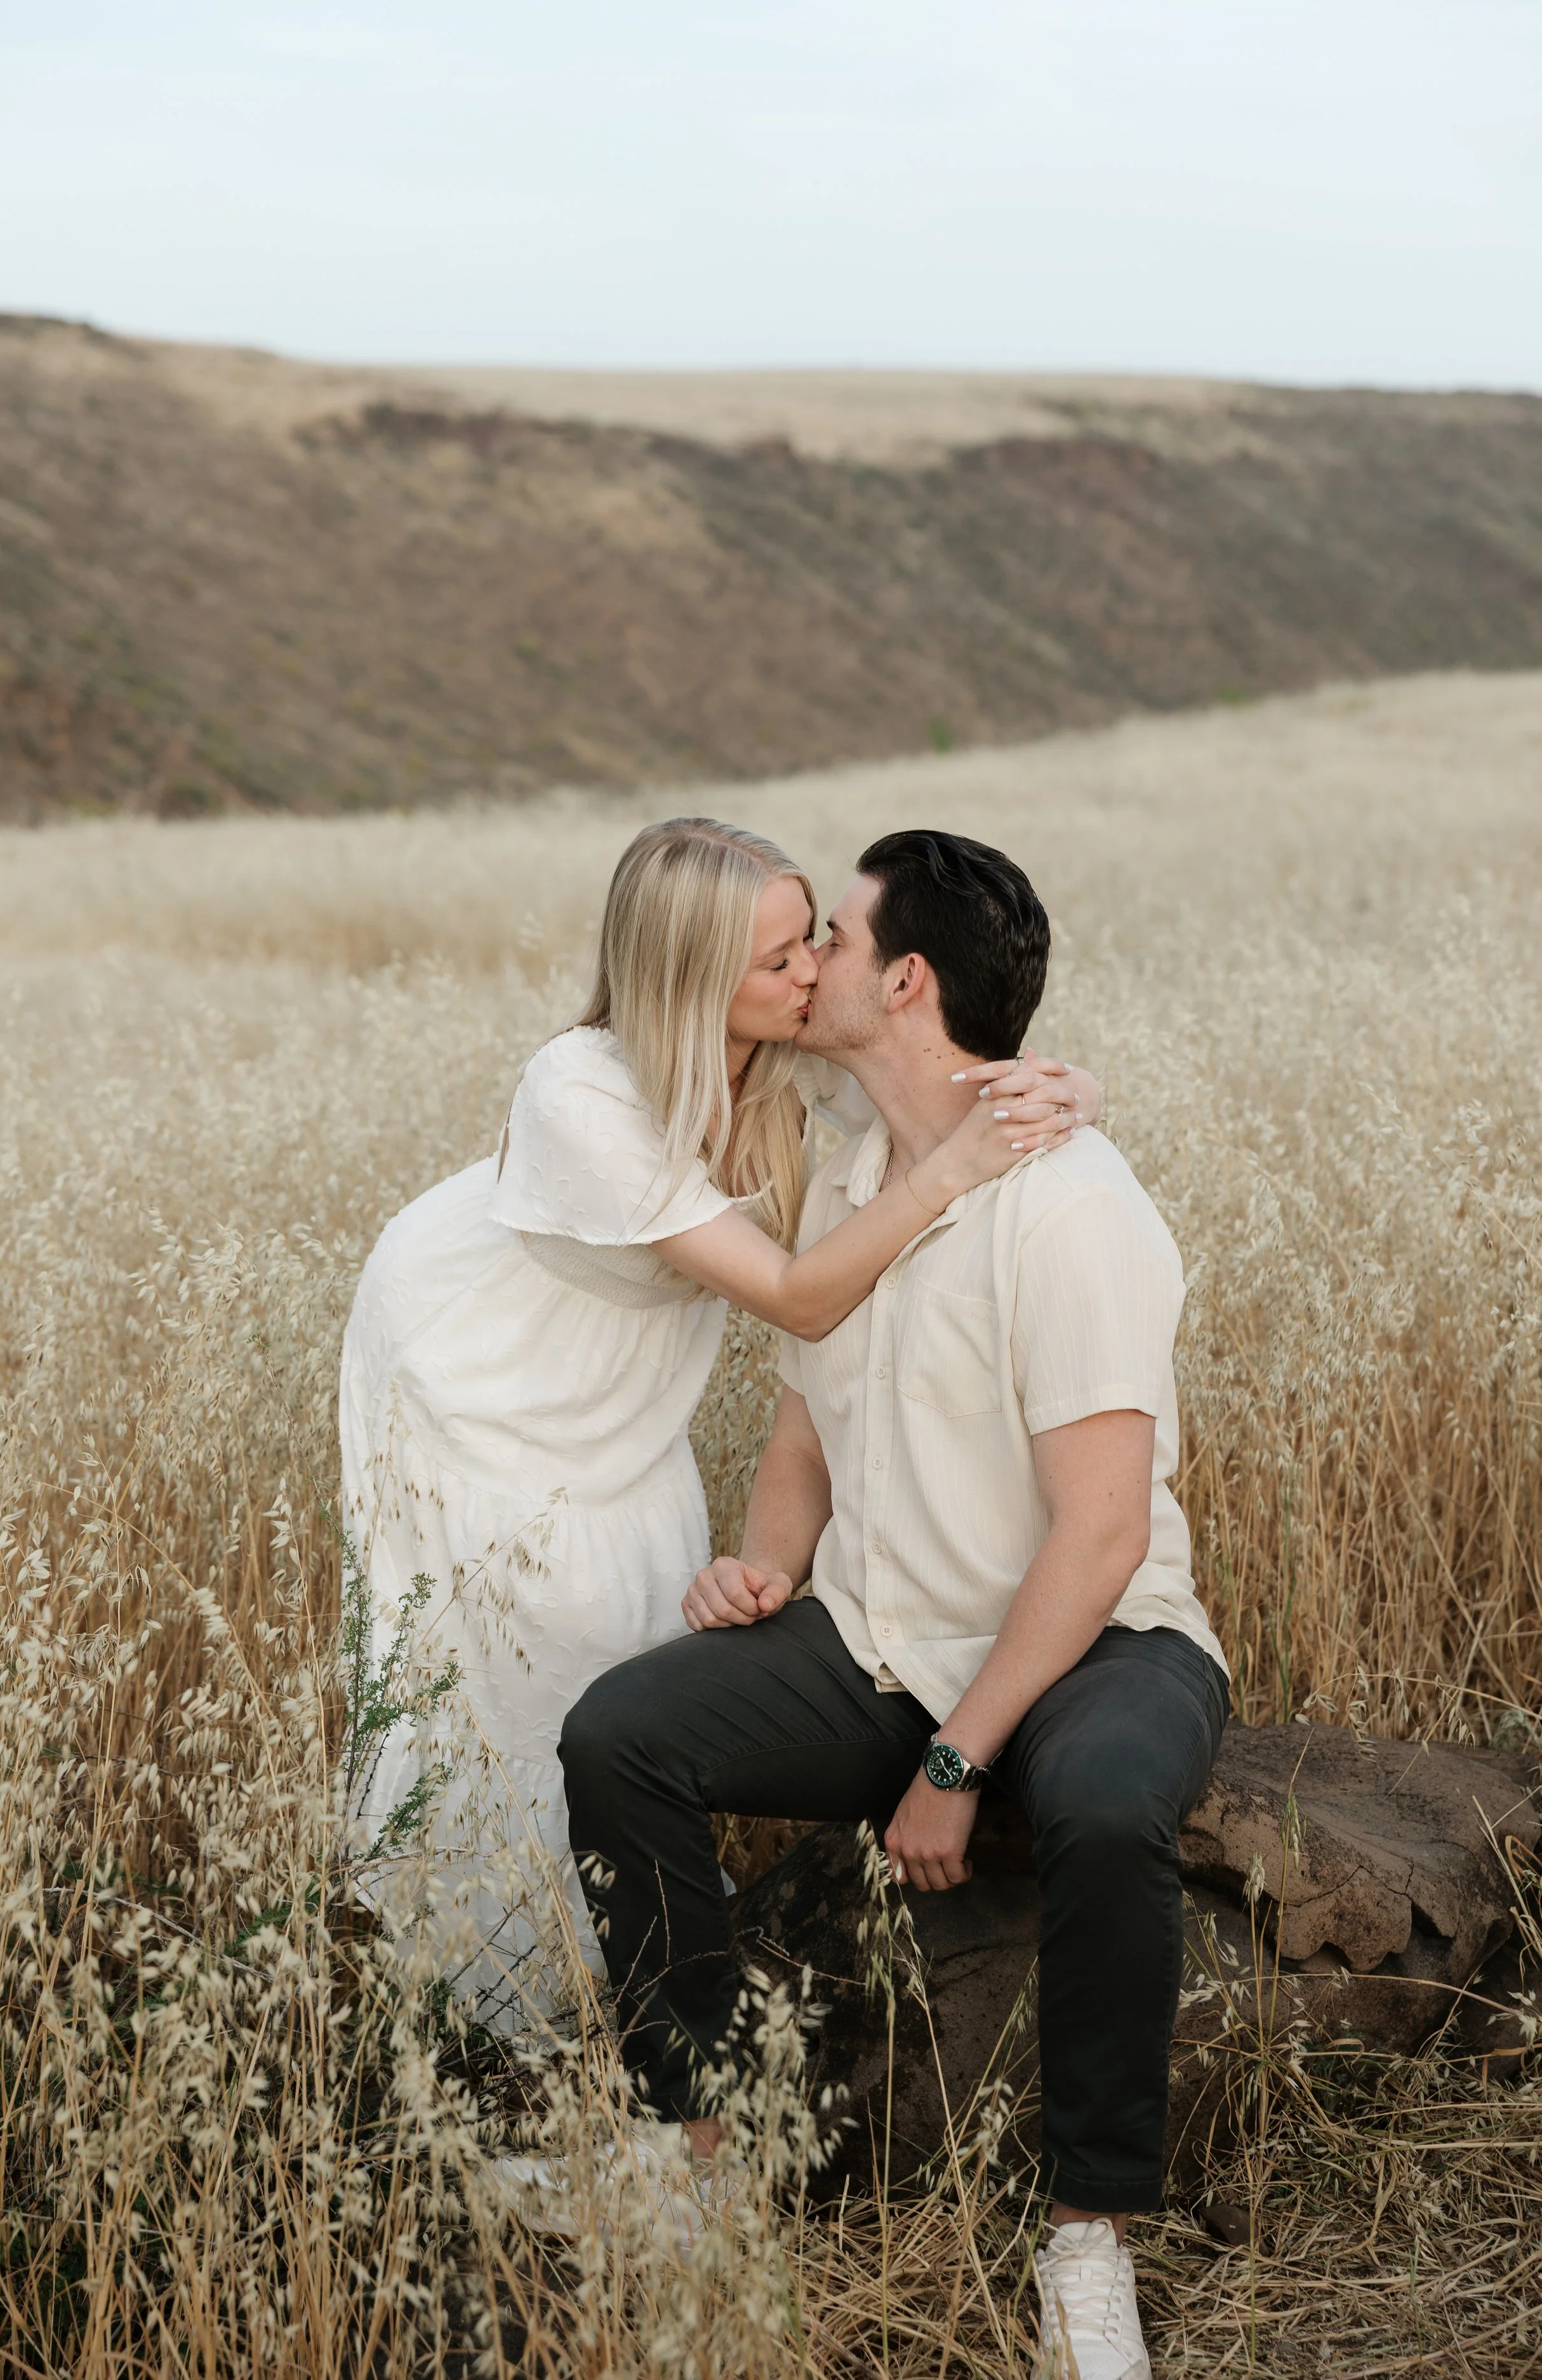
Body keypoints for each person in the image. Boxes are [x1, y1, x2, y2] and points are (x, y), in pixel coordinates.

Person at [559, 830, 1228, 2380]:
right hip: (870, 1642)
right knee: (620, 1738)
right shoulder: (857, 1165)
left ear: (906, 980)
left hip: (1091, 1645)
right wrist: (768, 1566)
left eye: (831, 943)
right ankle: (699, 2163)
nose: (804, 972)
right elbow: (805, 1423)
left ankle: (1087, 2243)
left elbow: (1102, 1531)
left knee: (1114, 1803)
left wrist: (957, 1760)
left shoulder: (1068, 1200)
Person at [339, 816, 1097, 2028]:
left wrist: (1069, 1088)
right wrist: (957, 1166)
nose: (814, 975)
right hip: (478, 1367)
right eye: (782, 960)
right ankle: (499, 2006)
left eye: (813, 941)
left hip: (629, 1397)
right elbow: (803, 1294)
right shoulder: (579, 1090)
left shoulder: (785, 1056)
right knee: (505, 1660)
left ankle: (623, 1995)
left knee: (629, 1638)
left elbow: (933, 1076)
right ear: (692, 982)